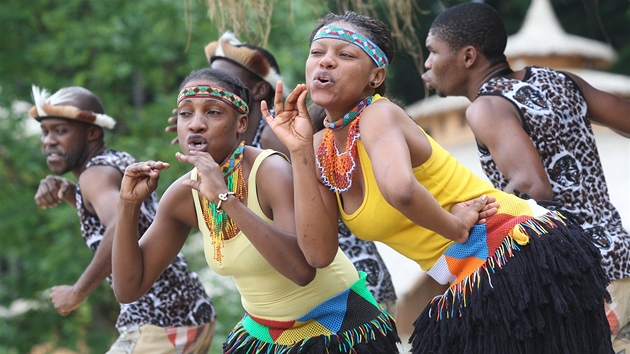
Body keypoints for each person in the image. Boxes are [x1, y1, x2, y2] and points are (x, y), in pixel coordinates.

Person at [263, 11, 614, 353]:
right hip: (470, 273)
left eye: (345, 55)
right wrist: (298, 152)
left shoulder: (378, 114)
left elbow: (399, 190)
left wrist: (457, 227)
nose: (325, 62)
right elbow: (318, 253)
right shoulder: (317, 147)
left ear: (375, 76)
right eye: (317, 53)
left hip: (513, 248)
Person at [111, 67, 400, 353]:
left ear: (241, 124)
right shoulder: (183, 195)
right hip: (266, 335)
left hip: (338, 328)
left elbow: (301, 271)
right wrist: (128, 205)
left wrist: (227, 200)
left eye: (212, 112)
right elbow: (129, 288)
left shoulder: (269, 171)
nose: (196, 124)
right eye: (186, 113)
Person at [420, 2, 630, 351]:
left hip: (584, 273)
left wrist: (477, 211)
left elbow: (532, 188)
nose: (427, 64)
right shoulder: (561, 80)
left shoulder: (485, 107)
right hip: (621, 254)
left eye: (433, 52)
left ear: (468, 56)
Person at [166, 32, 398, 315]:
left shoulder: (273, 141)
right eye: (187, 111)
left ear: (257, 92)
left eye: (225, 83)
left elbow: (306, 218)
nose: (212, 85)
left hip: (343, 275)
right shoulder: (240, 149)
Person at [31, 85, 216, 354]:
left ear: (92, 132)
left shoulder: (93, 176)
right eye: (45, 132)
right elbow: (129, 224)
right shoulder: (116, 161)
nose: (49, 140)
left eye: (60, 131)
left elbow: (118, 225)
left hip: (160, 320)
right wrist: (74, 195)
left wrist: (76, 293)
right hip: (189, 313)